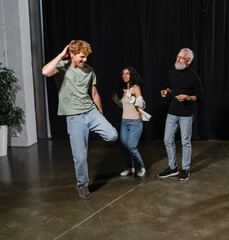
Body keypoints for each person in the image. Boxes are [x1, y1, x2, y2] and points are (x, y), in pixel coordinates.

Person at [42, 40, 118, 200]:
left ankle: (91, 128)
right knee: (80, 156)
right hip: (74, 117)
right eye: (82, 57)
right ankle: (82, 185)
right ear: (72, 54)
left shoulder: (89, 70)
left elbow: (95, 93)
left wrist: (101, 114)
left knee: (112, 135)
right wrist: (62, 54)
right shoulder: (62, 67)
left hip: (91, 112)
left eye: (86, 57)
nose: (85, 60)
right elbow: (45, 72)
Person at [158, 48, 204, 181]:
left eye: (181, 58)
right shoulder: (172, 72)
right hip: (172, 112)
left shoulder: (194, 77)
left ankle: (185, 169)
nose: (178, 59)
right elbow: (170, 87)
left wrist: (188, 97)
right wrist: (166, 91)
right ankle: (172, 168)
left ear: (188, 61)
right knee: (167, 140)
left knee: (185, 142)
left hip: (186, 115)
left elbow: (201, 97)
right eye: (177, 56)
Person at [111, 67, 151, 178]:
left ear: (132, 75)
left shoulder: (135, 88)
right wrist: (115, 99)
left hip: (135, 122)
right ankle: (130, 167)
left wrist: (129, 95)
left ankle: (141, 167)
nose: (124, 76)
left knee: (131, 146)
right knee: (123, 146)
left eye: (127, 73)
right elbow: (122, 105)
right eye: (123, 74)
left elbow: (141, 104)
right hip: (124, 121)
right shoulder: (125, 90)